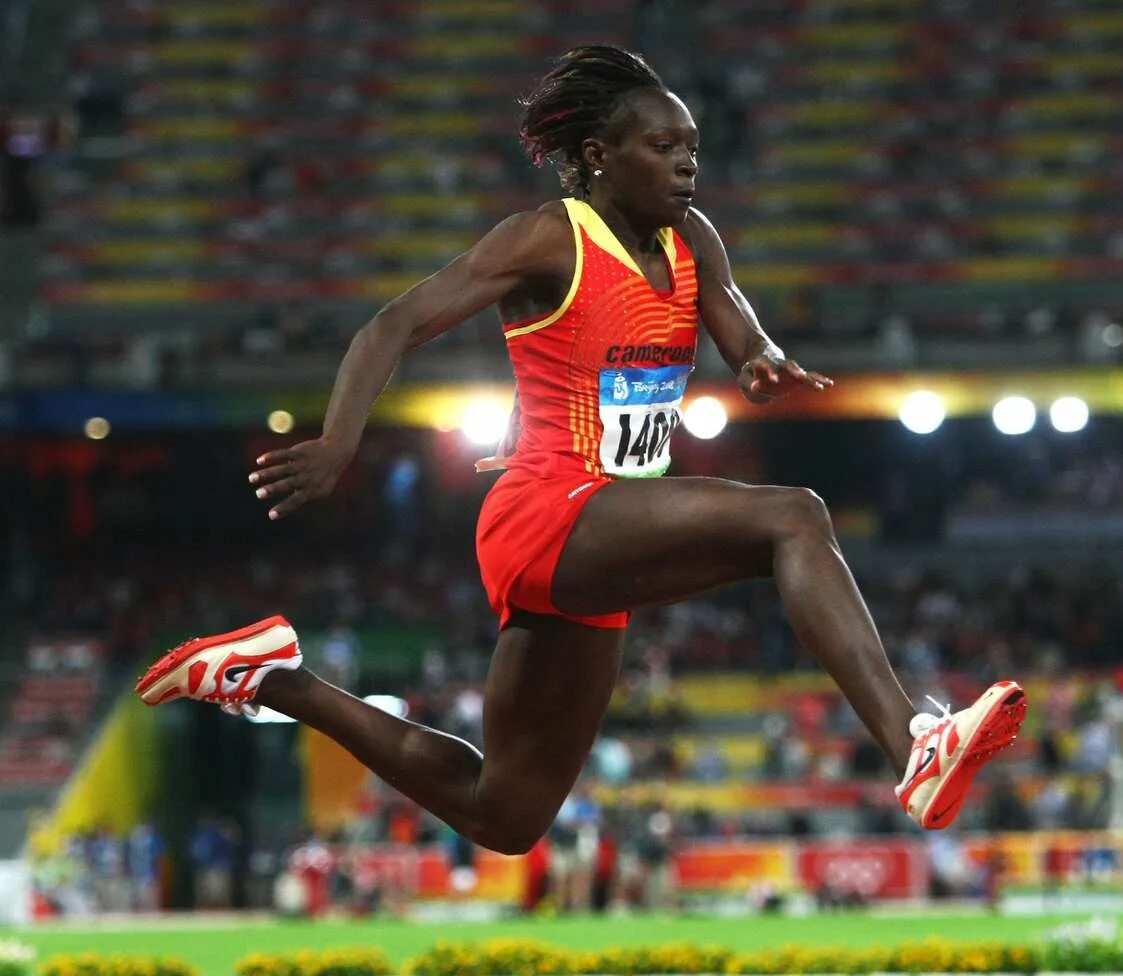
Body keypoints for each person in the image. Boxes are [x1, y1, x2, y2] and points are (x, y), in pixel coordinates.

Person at [134, 46, 1026, 851]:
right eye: (665, 147)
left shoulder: (693, 238)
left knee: (505, 815)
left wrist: (758, 360)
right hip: (545, 511)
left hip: (606, 531)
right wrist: (338, 442)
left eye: (694, 149)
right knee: (795, 517)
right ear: (601, 155)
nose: (687, 165)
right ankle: (916, 737)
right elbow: (394, 323)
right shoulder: (547, 238)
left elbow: (734, 317)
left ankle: (272, 679)